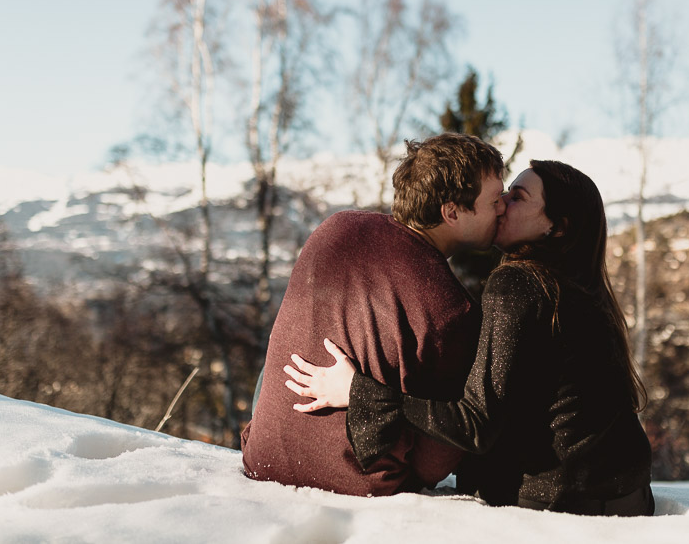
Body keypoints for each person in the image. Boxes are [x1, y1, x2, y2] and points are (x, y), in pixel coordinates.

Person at [284, 160, 655, 516]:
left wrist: (357, 391)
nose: (501, 205)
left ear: (556, 227)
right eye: (505, 193)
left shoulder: (518, 285)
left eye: (518, 197)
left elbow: (476, 425)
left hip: (559, 507)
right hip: (630, 498)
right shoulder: (582, 293)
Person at [241, 133, 505, 497]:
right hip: (359, 486)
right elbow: (434, 462)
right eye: (495, 200)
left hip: (261, 457)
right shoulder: (453, 310)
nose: (503, 207)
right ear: (453, 212)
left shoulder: (334, 230)